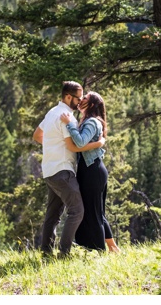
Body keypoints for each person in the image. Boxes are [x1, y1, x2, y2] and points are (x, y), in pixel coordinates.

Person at [33, 81, 104, 257]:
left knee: (53, 214)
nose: (80, 102)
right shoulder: (67, 117)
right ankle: (64, 253)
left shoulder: (51, 113)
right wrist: (99, 143)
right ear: (68, 97)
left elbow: (37, 135)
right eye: (78, 98)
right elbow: (74, 146)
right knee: (77, 211)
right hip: (63, 170)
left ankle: (46, 252)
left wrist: (52, 146)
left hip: (49, 169)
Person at [60, 91, 120, 253]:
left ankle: (99, 251)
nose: (80, 100)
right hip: (91, 170)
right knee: (97, 212)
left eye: (84, 98)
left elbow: (80, 142)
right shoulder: (88, 121)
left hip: (92, 171)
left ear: (91, 104)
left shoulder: (92, 122)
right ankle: (113, 249)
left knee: (93, 212)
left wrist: (68, 124)